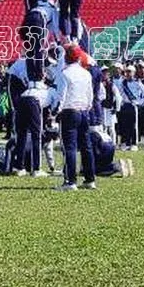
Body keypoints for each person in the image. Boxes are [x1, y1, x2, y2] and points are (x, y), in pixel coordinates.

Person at [55, 44, 95, 191]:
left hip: (69, 111)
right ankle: (90, 179)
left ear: (66, 57)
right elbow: (90, 95)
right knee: (86, 146)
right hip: (84, 111)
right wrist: (87, 107)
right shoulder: (86, 73)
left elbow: (62, 95)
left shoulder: (65, 73)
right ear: (79, 57)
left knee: (70, 148)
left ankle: (70, 181)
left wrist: (56, 112)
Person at [12, 80, 59, 177]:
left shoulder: (40, 88)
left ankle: (19, 167)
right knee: (37, 136)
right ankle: (36, 169)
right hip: (34, 102)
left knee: (21, 135)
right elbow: (55, 110)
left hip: (22, 99)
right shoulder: (54, 91)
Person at [19, 0, 60, 87]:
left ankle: (31, 79)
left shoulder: (36, 6)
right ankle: (38, 78)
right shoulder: (53, 11)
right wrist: (57, 40)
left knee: (29, 52)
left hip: (26, 21)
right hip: (38, 20)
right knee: (38, 51)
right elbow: (54, 28)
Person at [118, 65, 144, 150]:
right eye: (127, 72)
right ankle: (127, 143)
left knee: (134, 125)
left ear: (133, 73)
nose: (128, 74)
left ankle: (134, 143)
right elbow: (120, 94)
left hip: (133, 105)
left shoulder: (137, 82)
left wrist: (140, 102)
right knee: (125, 125)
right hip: (125, 105)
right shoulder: (123, 83)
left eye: (129, 72)